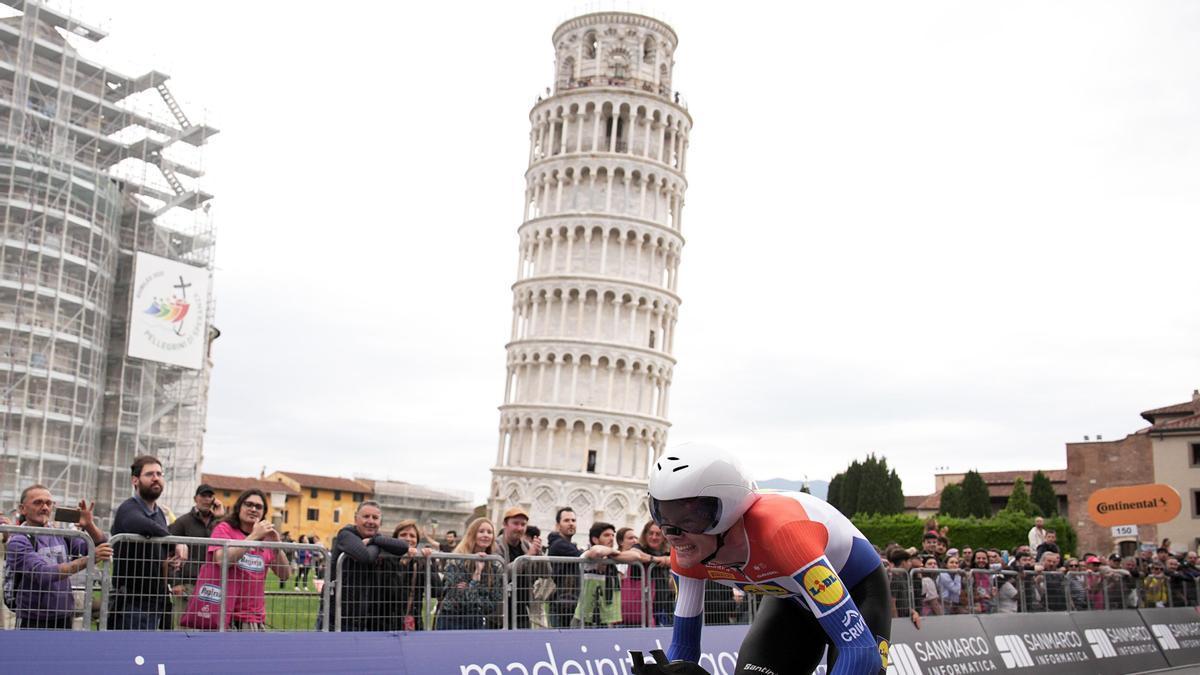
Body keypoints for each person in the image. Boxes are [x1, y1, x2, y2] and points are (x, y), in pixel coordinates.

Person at [645, 445, 891, 675]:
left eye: (687, 520)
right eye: (661, 515)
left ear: (726, 513)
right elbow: (684, 649)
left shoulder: (781, 535)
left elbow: (860, 651)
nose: (672, 534)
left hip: (858, 591)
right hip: (791, 600)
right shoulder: (688, 551)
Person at [5, 485, 112, 629]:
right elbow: (43, 574)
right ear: (22, 509)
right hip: (32, 618)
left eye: (48, 503)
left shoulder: (60, 534)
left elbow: (100, 545)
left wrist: (89, 525)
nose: (45, 507)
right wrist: (90, 559)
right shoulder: (18, 540)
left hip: (64, 616)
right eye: (38, 502)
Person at [180, 489, 290, 630]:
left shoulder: (266, 538)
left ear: (263, 513)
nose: (253, 509)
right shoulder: (224, 529)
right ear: (239, 507)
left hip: (252, 617)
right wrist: (253, 537)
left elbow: (284, 574)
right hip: (222, 615)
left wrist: (276, 545)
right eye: (248, 504)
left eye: (258, 507)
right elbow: (222, 560)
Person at [108, 455, 188, 630]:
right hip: (131, 603)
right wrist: (177, 543)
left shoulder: (159, 514)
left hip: (155, 601)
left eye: (159, 474)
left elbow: (160, 545)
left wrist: (171, 558)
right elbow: (141, 524)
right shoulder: (128, 508)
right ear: (135, 480)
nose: (156, 478)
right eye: (149, 474)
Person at [330, 501, 412, 631]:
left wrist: (373, 540)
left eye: (375, 517)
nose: (371, 521)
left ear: (380, 522)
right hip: (339, 618)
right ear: (356, 519)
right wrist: (378, 545)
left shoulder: (377, 538)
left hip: (367, 620)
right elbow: (366, 556)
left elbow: (403, 547)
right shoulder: (345, 535)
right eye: (366, 516)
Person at [438, 517, 504, 630]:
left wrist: (469, 588)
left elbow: (493, 603)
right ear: (472, 534)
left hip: (477, 620)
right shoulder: (456, 560)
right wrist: (476, 577)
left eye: (489, 532)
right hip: (451, 619)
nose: (486, 535)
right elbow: (458, 599)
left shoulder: (495, 564)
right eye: (481, 531)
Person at [168, 484, 225, 604]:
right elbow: (169, 552)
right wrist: (175, 582)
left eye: (210, 496)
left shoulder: (219, 523)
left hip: (214, 584)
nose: (206, 499)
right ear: (195, 499)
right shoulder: (183, 522)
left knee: (211, 617)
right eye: (203, 495)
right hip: (187, 585)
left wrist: (220, 518)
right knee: (183, 617)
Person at [492, 507, 548, 629]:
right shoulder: (495, 546)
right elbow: (501, 574)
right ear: (505, 524)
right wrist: (527, 557)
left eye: (523, 524)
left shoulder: (527, 545)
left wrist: (539, 554)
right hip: (499, 610)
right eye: (515, 523)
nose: (519, 528)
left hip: (522, 608)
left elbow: (546, 573)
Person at [380, 520, 435, 631]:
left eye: (412, 536)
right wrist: (403, 564)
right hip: (387, 624)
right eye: (403, 535)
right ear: (395, 539)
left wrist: (429, 563)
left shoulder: (419, 562)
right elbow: (391, 592)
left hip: (414, 623)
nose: (408, 539)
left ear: (417, 541)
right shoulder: (386, 558)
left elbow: (436, 591)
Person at [547, 507, 583, 627]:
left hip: (569, 600)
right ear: (558, 525)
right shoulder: (559, 544)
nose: (571, 523)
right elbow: (582, 555)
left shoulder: (569, 545)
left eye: (573, 520)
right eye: (566, 520)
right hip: (560, 602)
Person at [632, 521, 673, 627]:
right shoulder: (639, 547)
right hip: (640, 608)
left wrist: (666, 559)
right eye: (651, 533)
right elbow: (634, 553)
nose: (654, 537)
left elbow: (676, 560)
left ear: (664, 537)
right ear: (645, 534)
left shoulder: (667, 552)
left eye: (658, 534)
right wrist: (655, 559)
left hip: (662, 608)